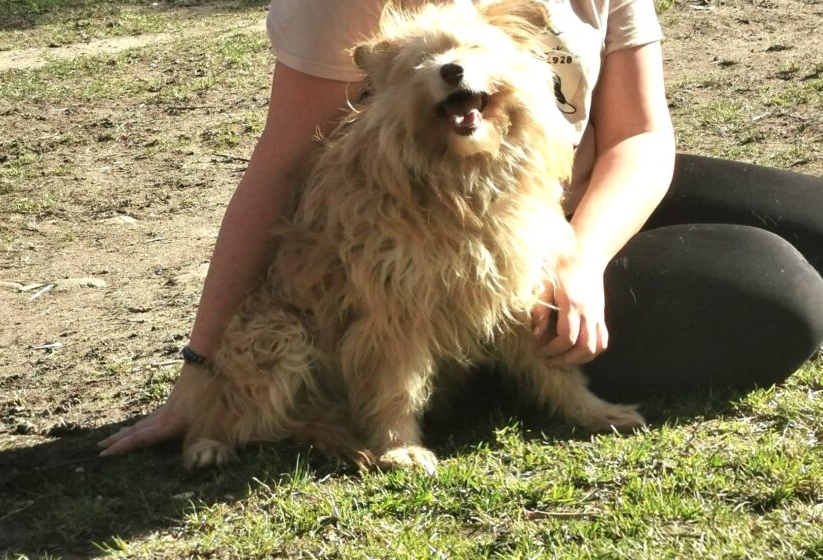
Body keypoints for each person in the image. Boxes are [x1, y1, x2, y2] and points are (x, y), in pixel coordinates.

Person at [98, 0, 823, 456]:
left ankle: (491, 346)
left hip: (558, 196)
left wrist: (581, 257)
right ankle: (469, 365)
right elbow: (284, 160)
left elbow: (638, 135)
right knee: (781, 293)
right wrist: (204, 369)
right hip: (440, 221)